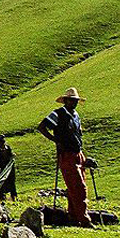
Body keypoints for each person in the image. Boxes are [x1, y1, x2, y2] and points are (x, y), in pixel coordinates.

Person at [37, 87, 93, 227]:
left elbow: (77, 135)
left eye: (75, 101)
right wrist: (56, 140)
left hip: (77, 153)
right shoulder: (57, 114)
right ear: (65, 100)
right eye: (71, 100)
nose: (73, 103)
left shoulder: (76, 115)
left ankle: (73, 217)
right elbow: (42, 127)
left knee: (76, 187)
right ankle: (84, 219)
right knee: (78, 188)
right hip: (67, 154)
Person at [0, 136, 16, 201]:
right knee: (1, 184)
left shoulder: (8, 148)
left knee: (12, 182)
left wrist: (12, 156)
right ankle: (2, 197)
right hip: (1, 169)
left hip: (9, 168)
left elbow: (11, 156)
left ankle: (14, 196)